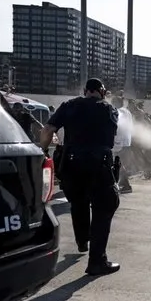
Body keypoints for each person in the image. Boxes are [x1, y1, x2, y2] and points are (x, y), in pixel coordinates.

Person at [39, 78, 121, 276]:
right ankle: (97, 261)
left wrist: (43, 152)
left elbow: (48, 129)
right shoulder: (109, 109)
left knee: (78, 202)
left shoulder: (69, 106)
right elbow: (112, 137)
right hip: (99, 165)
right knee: (105, 207)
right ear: (102, 92)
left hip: (72, 165)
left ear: (85, 91)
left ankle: (82, 241)